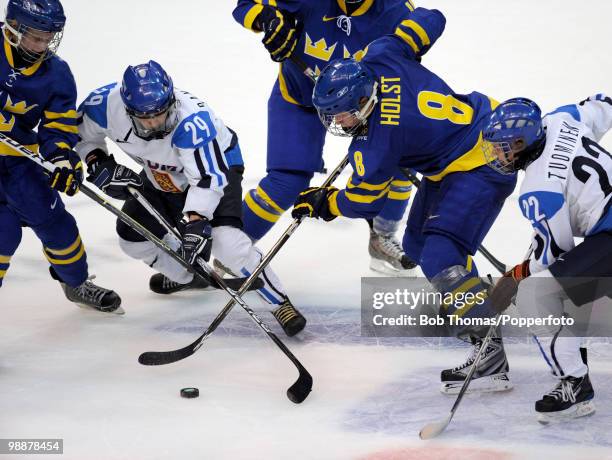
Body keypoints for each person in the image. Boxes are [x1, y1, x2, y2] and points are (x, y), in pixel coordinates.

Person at [291, 12, 517, 393]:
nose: (340, 123)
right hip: (462, 148)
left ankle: (488, 346)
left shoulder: (377, 144)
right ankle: (472, 298)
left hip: (485, 160)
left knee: (439, 258)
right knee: (417, 246)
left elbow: (362, 201)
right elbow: (433, 17)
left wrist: (324, 202)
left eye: (344, 115)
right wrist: (406, 42)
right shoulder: (381, 54)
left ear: (363, 101)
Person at [75, 60, 306, 336]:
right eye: (145, 118)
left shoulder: (193, 123)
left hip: (218, 167)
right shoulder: (102, 106)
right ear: (127, 110)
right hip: (160, 172)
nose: (155, 122)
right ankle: (190, 275)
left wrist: (196, 222)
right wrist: (96, 161)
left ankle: (278, 301)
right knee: (132, 239)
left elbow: (208, 179)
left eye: (161, 113)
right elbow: (79, 136)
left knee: (227, 244)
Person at [232, 0, 441, 276]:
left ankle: (382, 237)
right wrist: (266, 19)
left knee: (401, 162)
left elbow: (406, 63)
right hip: (300, 100)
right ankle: (229, 252)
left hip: (361, 109)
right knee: (286, 182)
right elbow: (246, 4)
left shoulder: (397, 11)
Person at [484, 95, 612, 422]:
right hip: (605, 233)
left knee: (536, 295)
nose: (497, 154)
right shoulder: (560, 119)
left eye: (503, 147)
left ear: (521, 142)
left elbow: (555, 253)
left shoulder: (539, 188)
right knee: (564, 290)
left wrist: (515, 277)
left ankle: (575, 384)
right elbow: (603, 104)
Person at [0, 0, 121, 313]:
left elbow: (57, 128)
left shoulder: (57, 74)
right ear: (14, 27)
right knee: (3, 235)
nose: (43, 46)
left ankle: (76, 283)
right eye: (36, 37)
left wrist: (63, 161)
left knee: (58, 227)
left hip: (19, 161)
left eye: (48, 38)